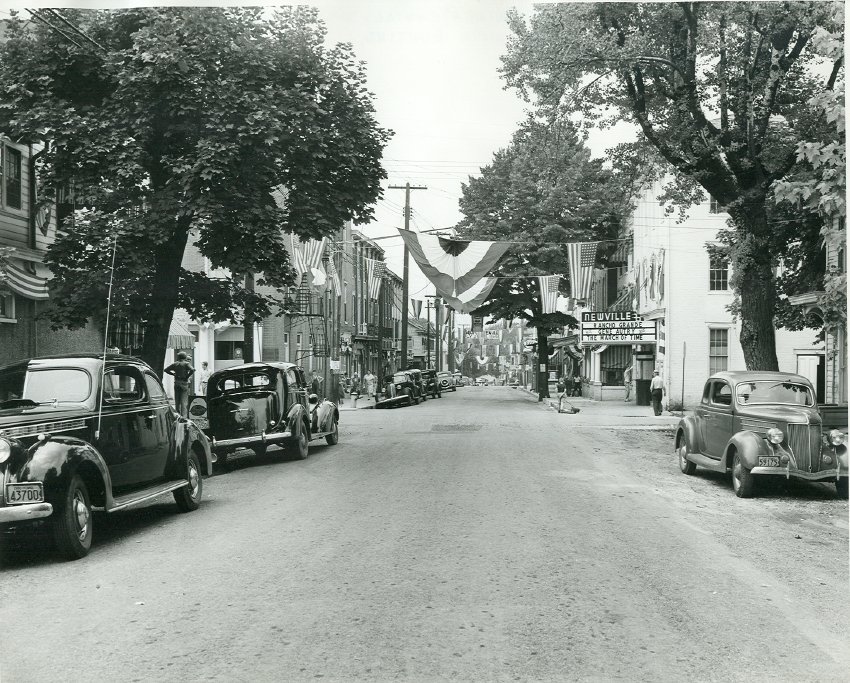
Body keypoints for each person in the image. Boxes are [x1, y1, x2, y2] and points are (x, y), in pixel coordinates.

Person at [164, 352, 195, 417]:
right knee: (184, 401)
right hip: (184, 383)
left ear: (178, 357)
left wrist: (173, 374)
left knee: (177, 401)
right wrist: (187, 376)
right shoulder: (186, 364)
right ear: (185, 357)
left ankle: (177, 416)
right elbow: (193, 369)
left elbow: (166, 370)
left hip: (177, 382)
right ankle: (184, 416)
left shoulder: (175, 364)